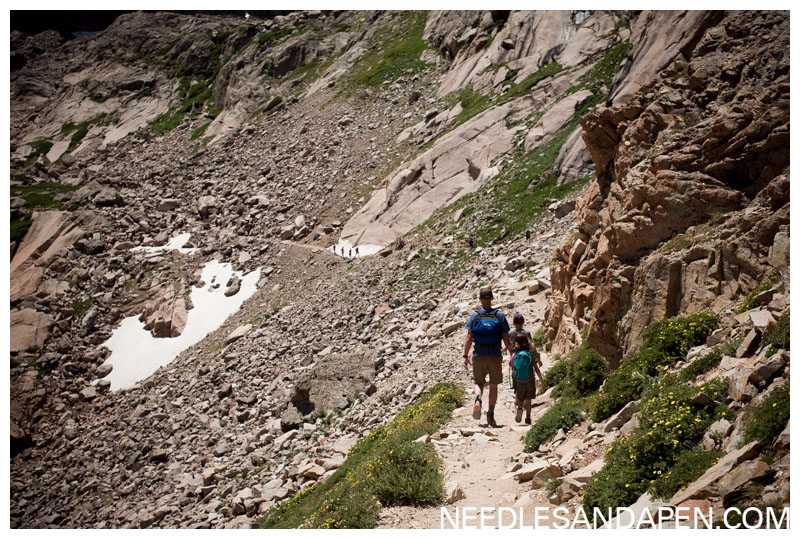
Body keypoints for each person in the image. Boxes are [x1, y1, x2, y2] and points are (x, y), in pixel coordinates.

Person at [463, 287, 511, 427]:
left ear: (480, 299)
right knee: (494, 386)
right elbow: (505, 336)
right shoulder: (499, 315)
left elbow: (469, 337)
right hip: (495, 354)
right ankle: (490, 415)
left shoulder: (474, 316)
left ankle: (478, 399)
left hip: (478, 354)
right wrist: (507, 348)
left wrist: (465, 355)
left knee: (479, 382)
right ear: (491, 298)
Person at [510, 333, 546, 424]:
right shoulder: (529, 354)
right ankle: (528, 418)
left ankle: (519, 406)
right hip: (530, 380)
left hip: (519, 381)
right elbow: (536, 369)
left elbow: (512, 367)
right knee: (528, 399)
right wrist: (542, 382)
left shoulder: (514, 355)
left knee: (521, 398)